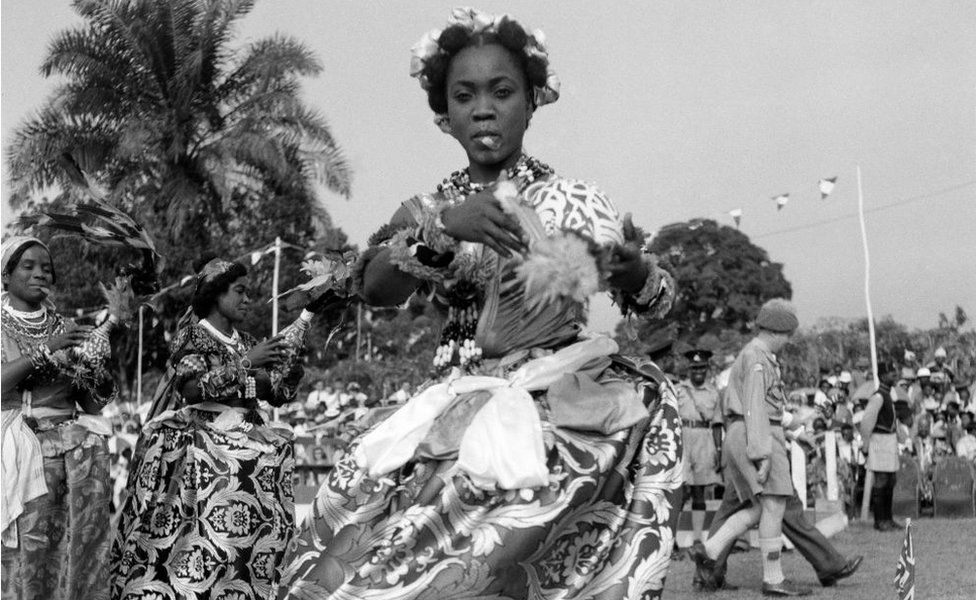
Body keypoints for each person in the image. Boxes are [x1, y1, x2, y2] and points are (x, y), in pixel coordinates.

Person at [274, 8, 681, 599]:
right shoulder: (427, 206)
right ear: (445, 115)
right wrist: (444, 227)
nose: (483, 108)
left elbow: (656, 299)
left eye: (502, 91)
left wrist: (635, 268)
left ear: (533, 99)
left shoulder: (575, 200)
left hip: (561, 404)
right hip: (456, 403)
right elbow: (374, 286)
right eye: (464, 96)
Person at [111, 256, 320, 599]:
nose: (247, 299)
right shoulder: (191, 337)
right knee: (207, 543)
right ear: (215, 295)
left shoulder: (248, 340)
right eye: (239, 291)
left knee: (253, 541)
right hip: (207, 448)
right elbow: (192, 389)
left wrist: (288, 372)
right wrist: (248, 364)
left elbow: (270, 392)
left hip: (250, 445)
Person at [0, 236, 129, 600]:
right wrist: (49, 349)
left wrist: (99, 368)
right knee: (29, 555)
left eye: (47, 268)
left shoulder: (64, 324)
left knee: (77, 554)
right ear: (5, 277)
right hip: (21, 448)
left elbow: (90, 405)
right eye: (29, 266)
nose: (41, 273)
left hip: (76, 456)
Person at [693, 298, 811, 597]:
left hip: (744, 431)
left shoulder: (753, 356)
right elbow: (756, 407)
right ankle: (773, 579)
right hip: (756, 434)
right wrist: (762, 453)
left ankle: (709, 550)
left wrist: (794, 429)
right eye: (786, 335)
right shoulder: (758, 358)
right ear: (775, 331)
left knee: (759, 507)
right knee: (774, 504)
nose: (787, 341)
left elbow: (764, 406)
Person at [675, 348, 722, 550]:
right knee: (680, 490)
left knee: (699, 491)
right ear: (689, 369)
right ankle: (672, 541)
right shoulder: (679, 390)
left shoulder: (713, 392)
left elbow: (718, 424)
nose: (698, 372)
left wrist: (718, 450)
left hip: (704, 440)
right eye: (694, 368)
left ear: (707, 369)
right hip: (683, 438)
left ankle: (696, 538)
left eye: (702, 368)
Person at [859, 359, 902, 531]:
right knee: (881, 481)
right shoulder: (878, 397)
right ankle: (880, 520)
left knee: (890, 480)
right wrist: (866, 444)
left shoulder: (888, 395)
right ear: (883, 376)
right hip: (879, 441)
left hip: (889, 441)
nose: (895, 375)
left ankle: (888, 518)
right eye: (892, 373)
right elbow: (867, 422)